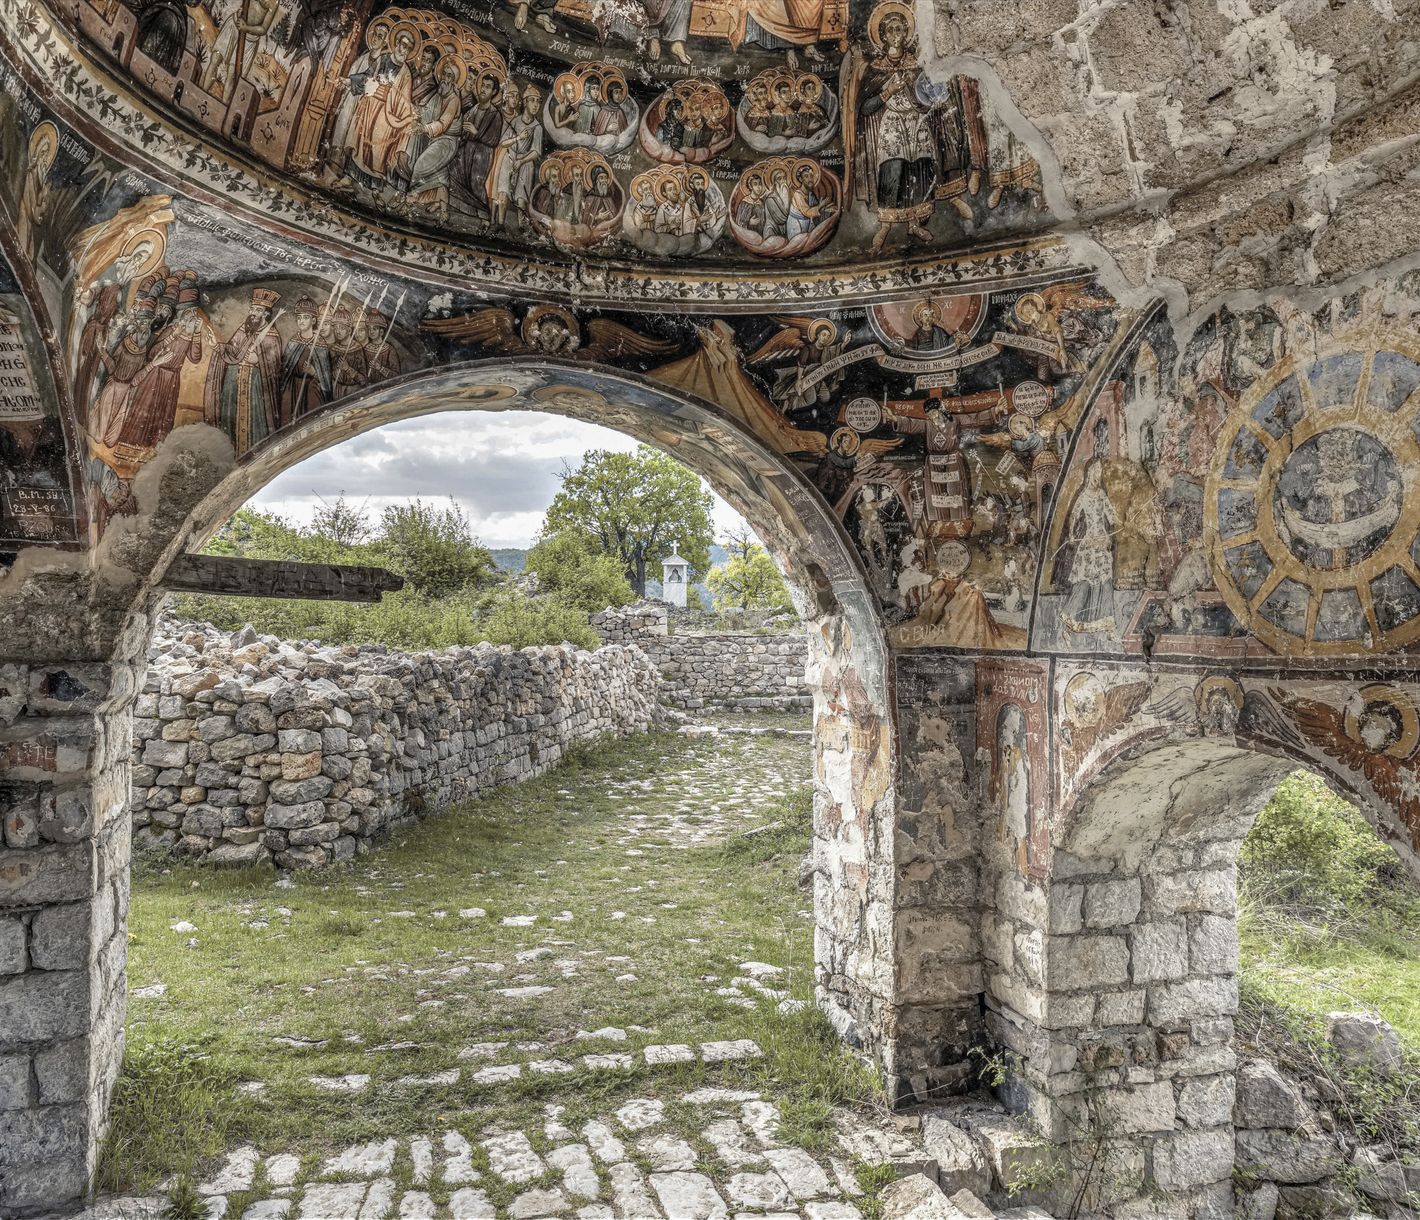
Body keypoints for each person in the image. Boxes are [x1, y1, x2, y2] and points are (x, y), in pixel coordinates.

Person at [204, 287, 284, 454]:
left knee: (256, 418)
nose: (253, 313)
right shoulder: (243, 330)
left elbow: (275, 367)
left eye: (258, 310)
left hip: (256, 386)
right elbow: (232, 353)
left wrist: (259, 361)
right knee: (229, 417)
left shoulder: (272, 336)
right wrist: (216, 346)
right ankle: (229, 452)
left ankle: (253, 452)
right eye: (253, 308)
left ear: (266, 314)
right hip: (233, 383)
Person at [342, 25, 419, 191]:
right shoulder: (383, 59)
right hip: (369, 106)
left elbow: (405, 100)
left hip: (388, 115)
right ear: (397, 44)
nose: (404, 50)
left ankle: (375, 187)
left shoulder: (406, 73)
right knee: (360, 142)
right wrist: (350, 81)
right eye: (402, 45)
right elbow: (367, 75)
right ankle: (349, 178)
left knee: (379, 150)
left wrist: (407, 117)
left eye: (408, 48)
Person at [1060, 460, 1118, 636]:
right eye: (1097, 469)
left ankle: (1107, 624)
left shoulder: (1101, 494)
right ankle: (1071, 621)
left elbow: (1111, 515)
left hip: (1103, 542)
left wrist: (1124, 521)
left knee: (1106, 581)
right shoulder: (1084, 495)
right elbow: (1074, 515)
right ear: (1090, 472)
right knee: (1084, 582)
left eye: (1101, 469)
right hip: (1089, 544)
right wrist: (1070, 533)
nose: (1099, 473)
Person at [280, 296, 332, 421]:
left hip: (312, 389)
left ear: (313, 321)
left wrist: (314, 372)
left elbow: (326, 377)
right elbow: (285, 370)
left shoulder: (320, 344)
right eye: (299, 318)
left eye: (305, 317)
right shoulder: (293, 342)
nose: (301, 321)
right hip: (292, 389)